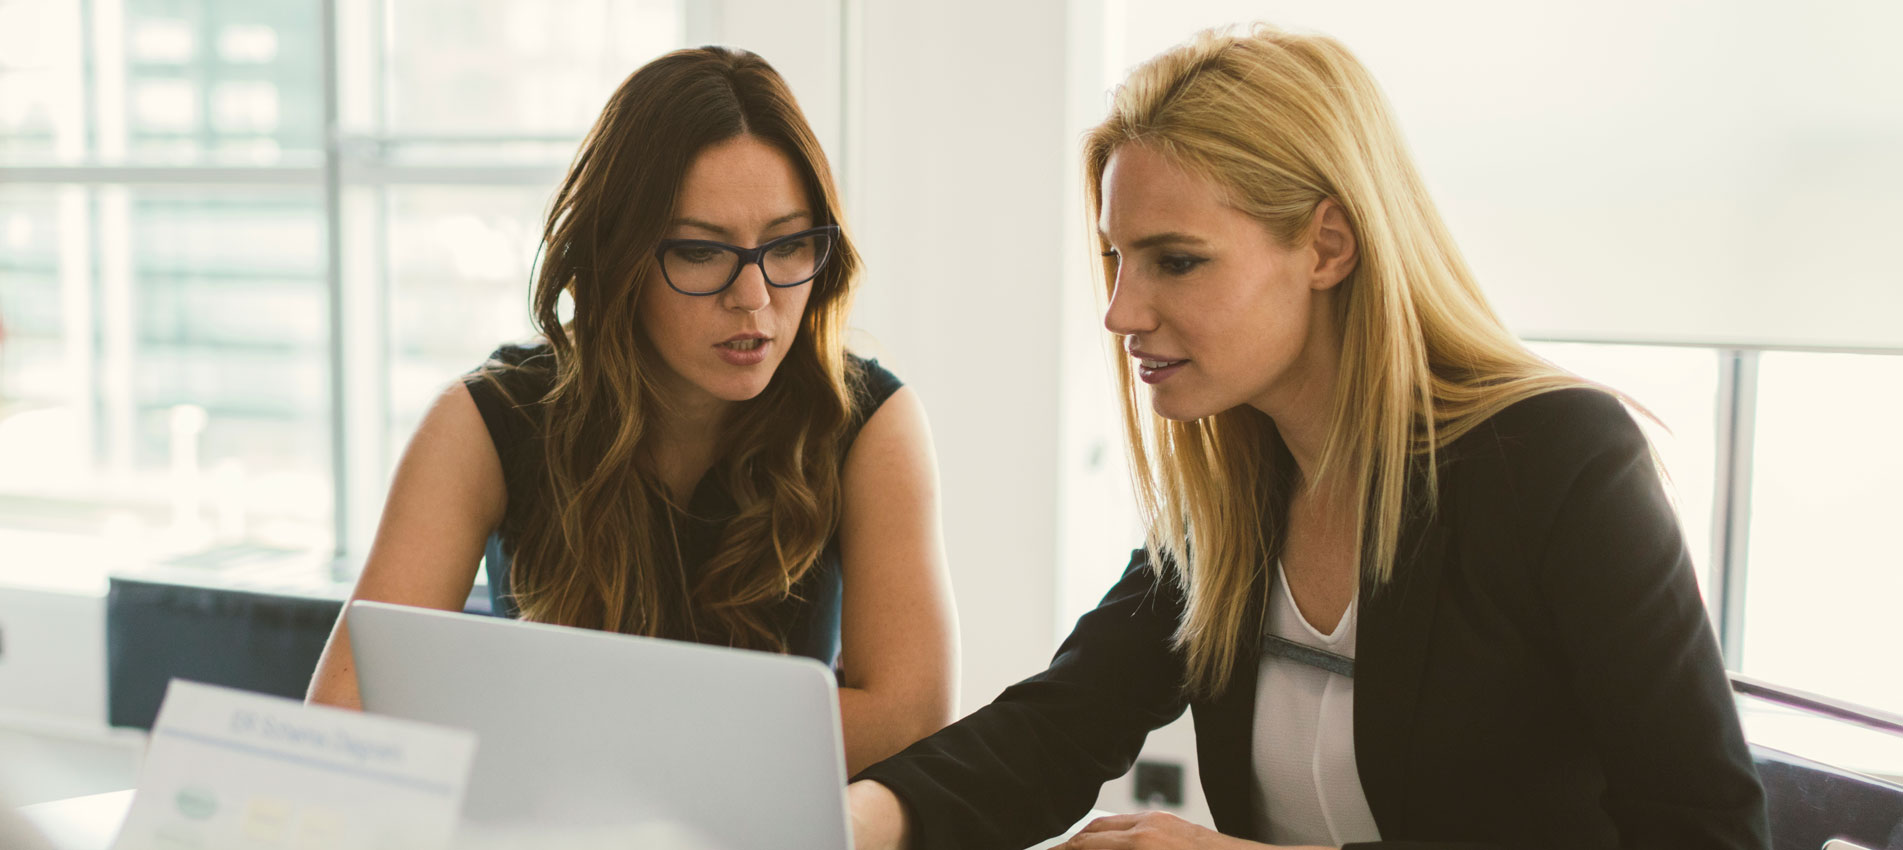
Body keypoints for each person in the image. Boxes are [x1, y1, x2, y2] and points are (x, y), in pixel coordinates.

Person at [847, 24, 1767, 850]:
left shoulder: (1557, 461)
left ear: (1327, 246)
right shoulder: (1236, 496)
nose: (1121, 311)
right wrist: (848, 822)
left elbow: (1709, 836)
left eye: (1177, 261)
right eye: (1115, 261)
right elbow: (1054, 729)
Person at [307, 46, 958, 776]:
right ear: (617, 256)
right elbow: (343, 716)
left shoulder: (868, 420)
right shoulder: (487, 419)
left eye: (789, 244)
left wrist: (564, 735)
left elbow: (910, 717)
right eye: (701, 253)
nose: (754, 297)